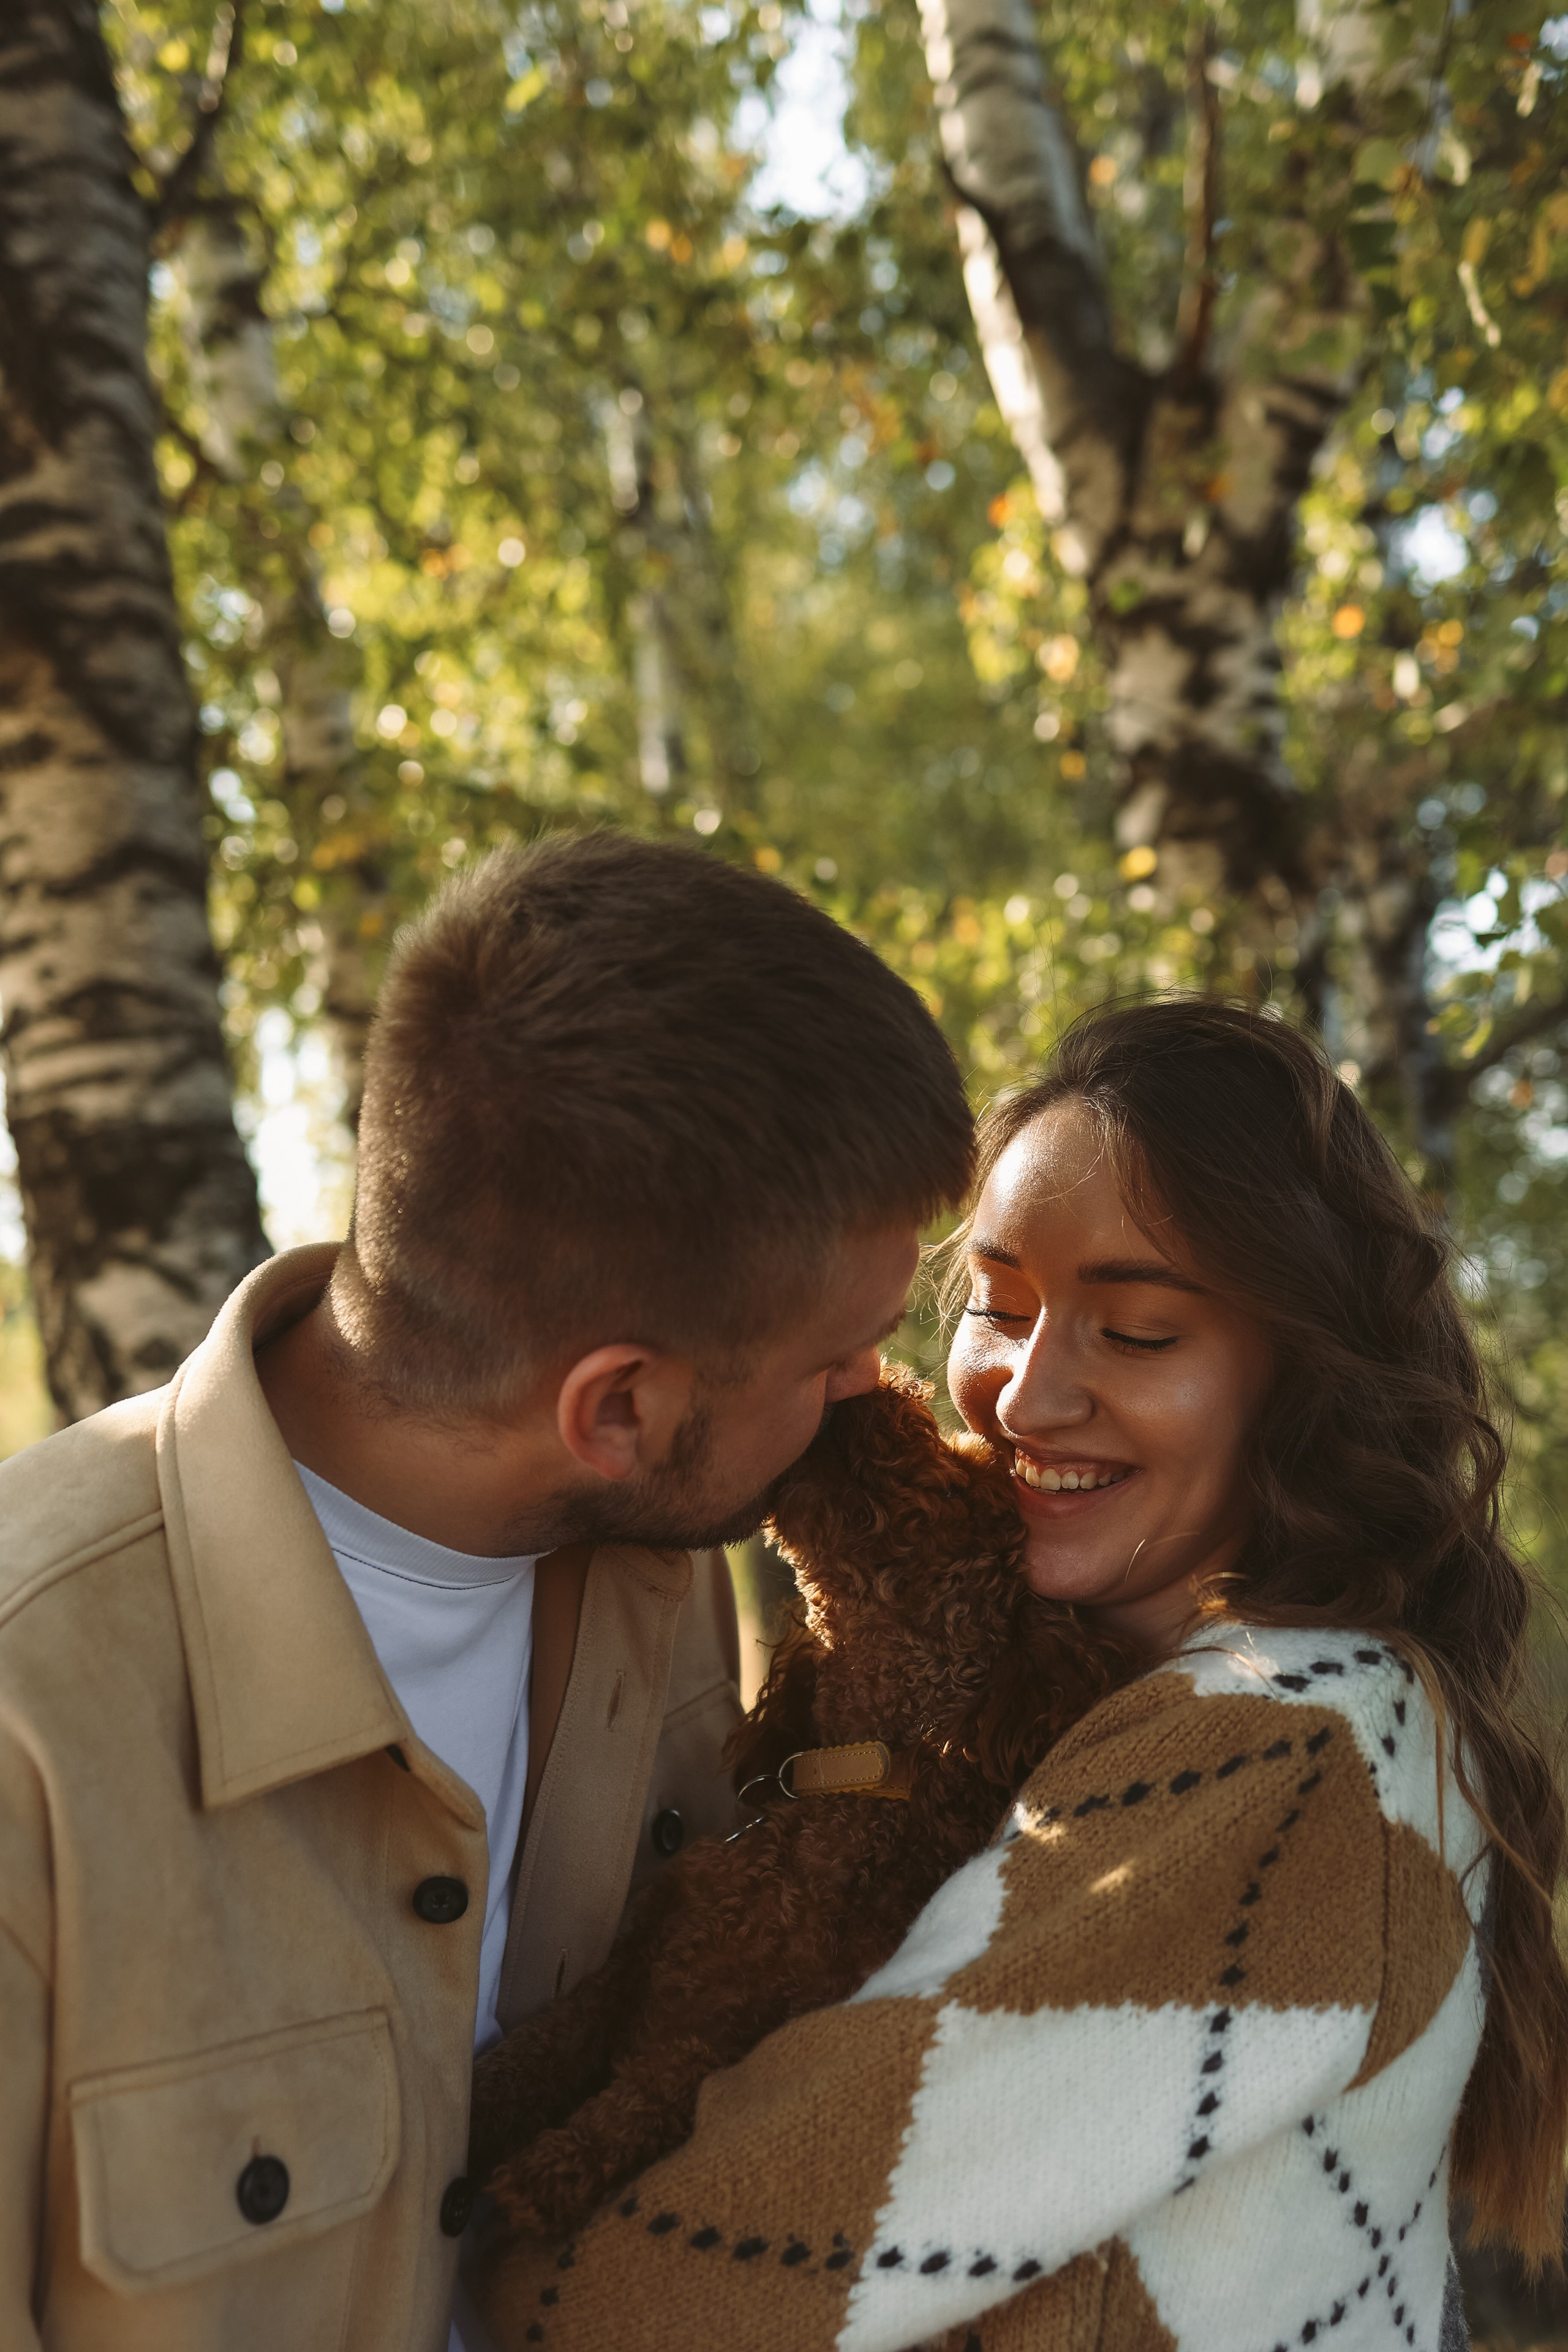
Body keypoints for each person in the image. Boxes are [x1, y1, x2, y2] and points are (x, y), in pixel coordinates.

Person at [0, 832, 974, 2352]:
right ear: (617, 1410)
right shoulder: (30, 1718)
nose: (872, 1391)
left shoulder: (666, 1581)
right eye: (828, 1358)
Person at [478, 998, 1568, 2352]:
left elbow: (652, 2297)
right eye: (998, 1306)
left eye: (1136, 1334)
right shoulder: (1172, 1715)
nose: (1024, 1393)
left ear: (1301, 1378)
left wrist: (488, 2266)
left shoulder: (1285, 1742)